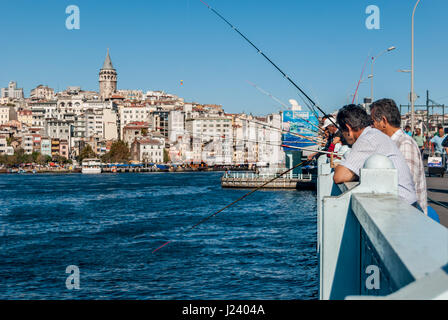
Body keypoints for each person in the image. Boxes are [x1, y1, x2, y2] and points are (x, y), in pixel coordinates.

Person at [333, 104, 419, 209]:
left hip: (402, 206)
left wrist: (357, 172)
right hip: (406, 202)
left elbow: (339, 176)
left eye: (342, 131)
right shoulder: (373, 134)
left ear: (348, 128)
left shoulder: (367, 140)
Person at [369, 99, 427, 214]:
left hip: (409, 218)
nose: (371, 127)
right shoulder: (391, 143)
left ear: (384, 121)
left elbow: (405, 189)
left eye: (373, 122)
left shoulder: (404, 144)